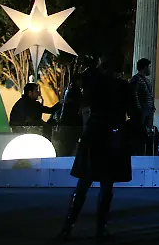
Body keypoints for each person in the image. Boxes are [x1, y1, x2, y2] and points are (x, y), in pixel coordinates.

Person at [57, 57, 135, 241]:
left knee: (83, 183)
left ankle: (68, 226)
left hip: (93, 135)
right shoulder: (123, 87)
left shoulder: (94, 84)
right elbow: (132, 111)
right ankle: (101, 228)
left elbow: (84, 105)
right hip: (112, 137)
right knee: (106, 186)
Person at [130, 58, 155, 154]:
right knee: (139, 134)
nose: (149, 69)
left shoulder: (147, 81)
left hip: (148, 111)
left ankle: (143, 152)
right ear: (145, 67)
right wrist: (139, 109)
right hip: (141, 112)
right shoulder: (135, 79)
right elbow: (134, 94)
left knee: (146, 134)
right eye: (148, 66)